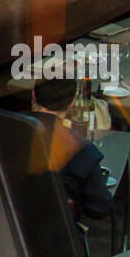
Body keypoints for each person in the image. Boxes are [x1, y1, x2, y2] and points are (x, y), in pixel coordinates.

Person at [28, 76, 113, 220]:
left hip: (0, 227)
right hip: (55, 236)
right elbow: (99, 209)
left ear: (33, 95)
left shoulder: (0, 127)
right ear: (71, 104)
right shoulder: (82, 150)